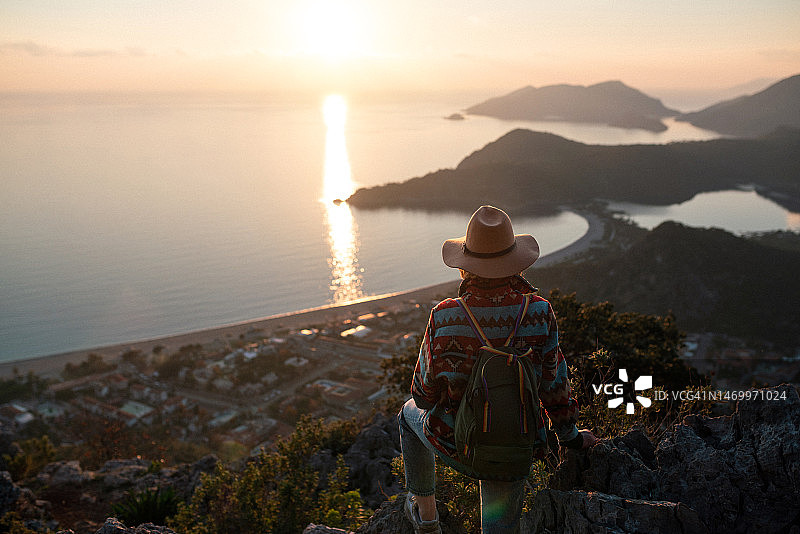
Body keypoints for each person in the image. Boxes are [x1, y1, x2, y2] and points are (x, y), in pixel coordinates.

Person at [399, 205, 598, 534]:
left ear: (466, 266)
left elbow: (421, 397)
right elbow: (555, 386)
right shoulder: (539, 312)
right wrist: (572, 438)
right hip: (515, 446)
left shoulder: (445, 317)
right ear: (515, 264)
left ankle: (427, 519)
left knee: (406, 417)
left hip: (455, 444)